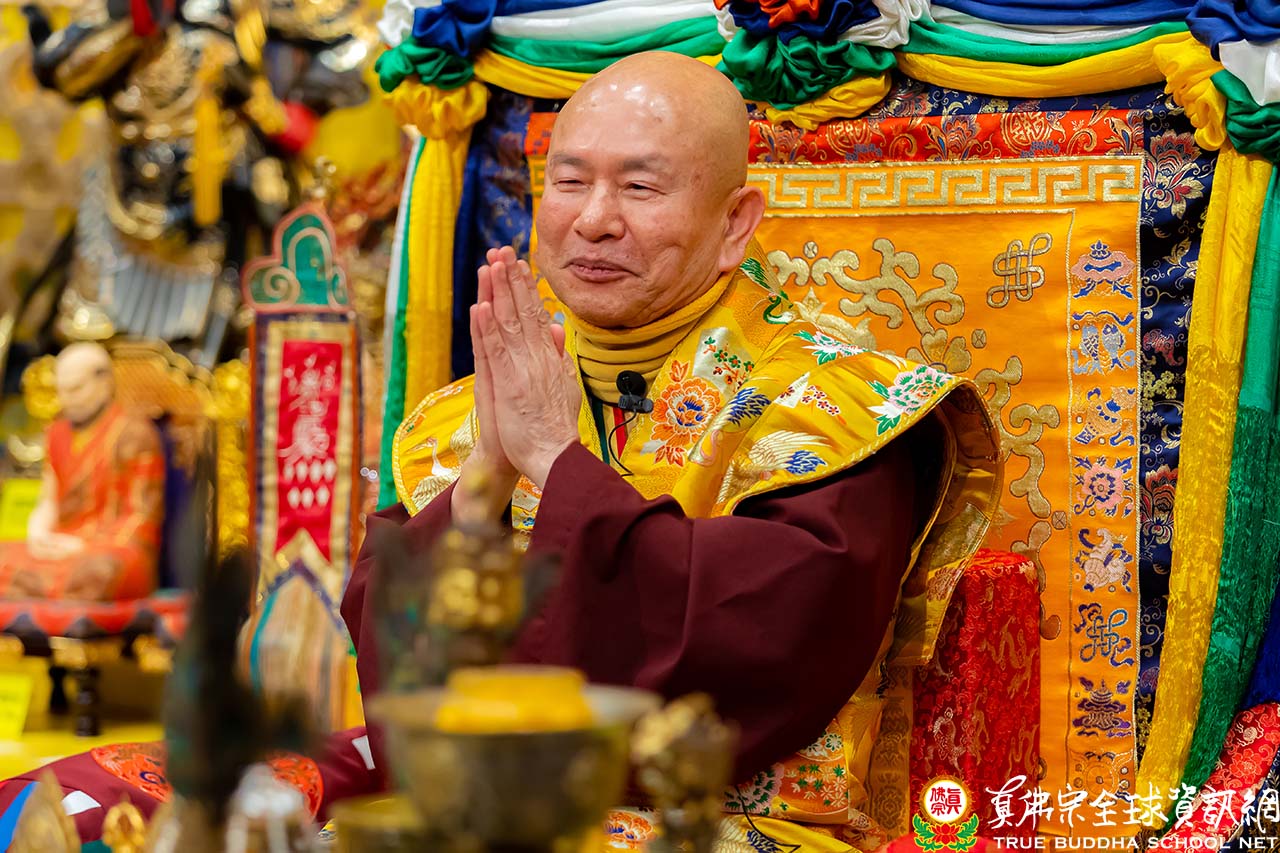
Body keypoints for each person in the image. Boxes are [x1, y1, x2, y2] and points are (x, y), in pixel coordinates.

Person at [0, 52, 1000, 852]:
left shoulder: (838, 409)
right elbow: (399, 678)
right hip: (454, 774)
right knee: (94, 805)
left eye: (639, 186)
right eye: (568, 180)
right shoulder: (474, 413)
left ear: (734, 223)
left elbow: (758, 661)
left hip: (718, 813)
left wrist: (560, 463)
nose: (594, 219)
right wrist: (486, 473)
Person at [0, 342, 165, 601]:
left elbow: (141, 517)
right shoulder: (57, 433)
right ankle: (52, 589)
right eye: (62, 391)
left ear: (104, 382)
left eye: (76, 389)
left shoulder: (135, 434)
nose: (67, 400)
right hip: (61, 543)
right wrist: (39, 533)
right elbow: (48, 500)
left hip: (111, 548)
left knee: (102, 572)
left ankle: (42, 588)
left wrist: (84, 546)